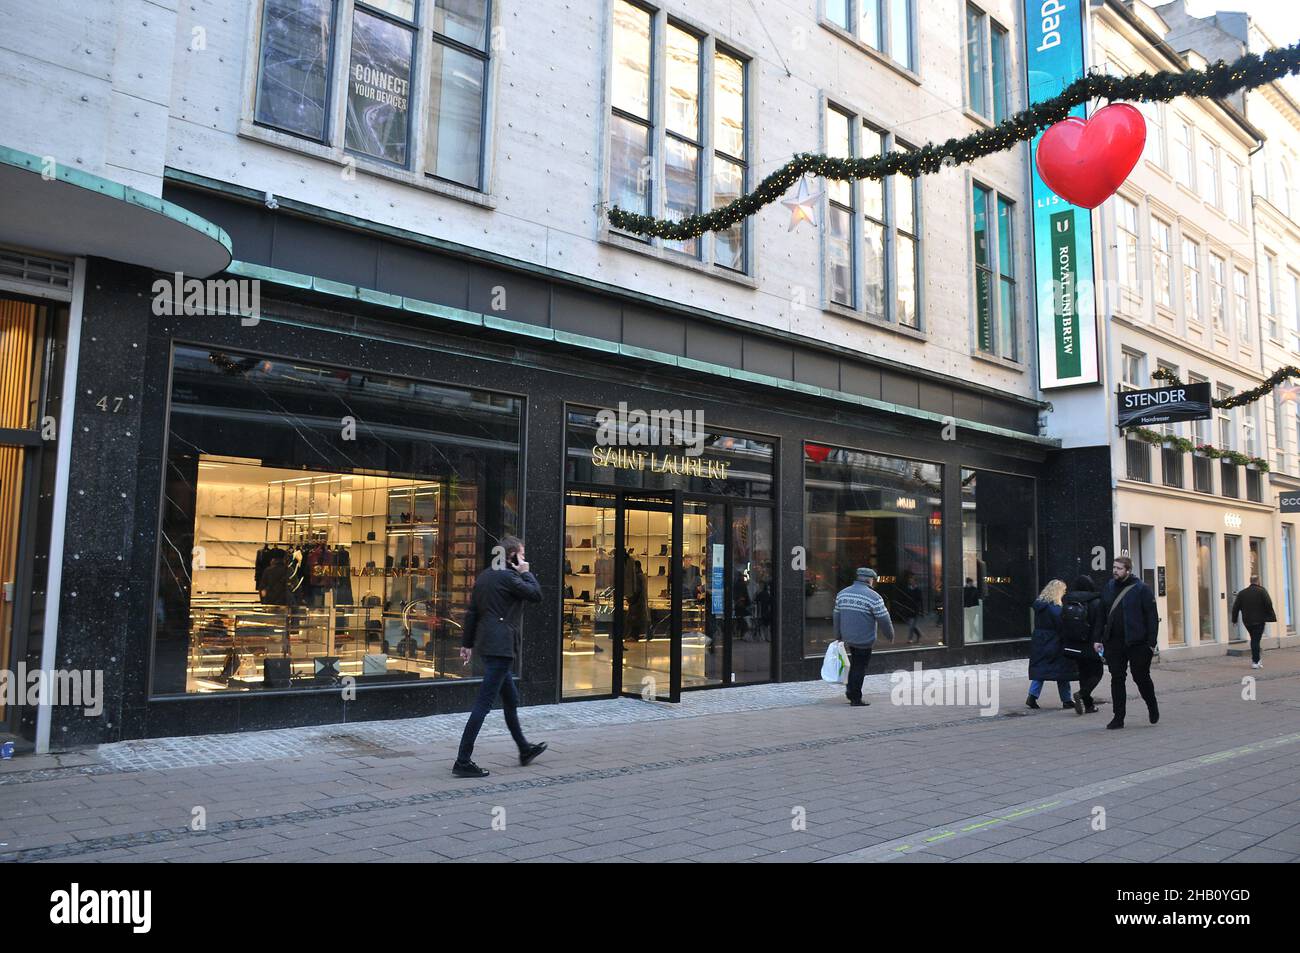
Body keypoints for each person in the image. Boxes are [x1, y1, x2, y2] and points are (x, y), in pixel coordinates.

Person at [453, 536, 547, 778]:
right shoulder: (510, 577)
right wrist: (526, 572)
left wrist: (467, 644)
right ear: (512, 555)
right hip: (501, 647)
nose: (524, 559)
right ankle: (463, 760)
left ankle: (524, 749)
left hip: (488, 644)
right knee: (483, 705)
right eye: (522, 555)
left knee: (510, 699)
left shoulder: (485, 576)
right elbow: (536, 595)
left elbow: (472, 612)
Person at [1099, 555, 1160, 730]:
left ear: (1128, 570)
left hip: (1138, 643)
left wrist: (1151, 643)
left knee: (1140, 677)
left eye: (1119, 568)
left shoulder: (1141, 589)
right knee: (1117, 678)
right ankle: (1118, 717)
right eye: (1114, 567)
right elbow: (1102, 614)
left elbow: (1151, 617)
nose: (1115, 571)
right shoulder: (1109, 587)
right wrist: (1098, 639)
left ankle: (1152, 706)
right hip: (1115, 643)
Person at [834, 567, 895, 707]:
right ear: (870, 580)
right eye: (873, 580)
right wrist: (890, 635)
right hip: (864, 640)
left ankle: (850, 692)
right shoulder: (874, 597)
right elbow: (884, 620)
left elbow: (836, 616)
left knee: (854, 665)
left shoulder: (842, 594)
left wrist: (838, 635)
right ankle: (855, 698)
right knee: (859, 667)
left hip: (848, 638)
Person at [1027, 579, 1078, 710]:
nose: (1065, 593)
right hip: (1054, 641)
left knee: (1041, 670)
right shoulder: (1055, 608)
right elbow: (1061, 625)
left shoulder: (1040, 605)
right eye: (1063, 590)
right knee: (1062, 670)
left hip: (1040, 640)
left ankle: (1032, 696)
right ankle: (1066, 700)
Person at [1062, 575, 1104, 714]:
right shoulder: (1096, 601)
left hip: (1074, 642)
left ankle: (1089, 705)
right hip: (1091, 642)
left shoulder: (1068, 600)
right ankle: (1082, 694)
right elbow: (1100, 624)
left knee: (1083, 673)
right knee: (1097, 672)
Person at [1230, 576, 1276, 669]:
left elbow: (1235, 608)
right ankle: (1255, 661)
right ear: (1258, 581)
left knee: (1254, 639)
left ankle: (1257, 660)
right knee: (1255, 640)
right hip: (1259, 620)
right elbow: (1269, 604)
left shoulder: (1242, 593)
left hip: (1247, 621)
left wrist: (1234, 620)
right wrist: (1270, 616)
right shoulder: (1262, 591)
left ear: (1250, 581)